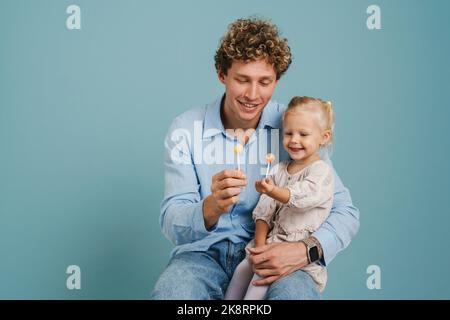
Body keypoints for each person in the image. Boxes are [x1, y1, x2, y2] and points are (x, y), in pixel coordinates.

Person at [151, 17, 359, 300]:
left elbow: (345, 212)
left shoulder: (294, 127)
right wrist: (211, 207)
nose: (252, 94)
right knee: (173, 294)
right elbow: (171, 219)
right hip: (202, 256)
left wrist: (303, 250)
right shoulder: (186, 129)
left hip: (275, 253)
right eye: (242, 80)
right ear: (222, 74)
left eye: (265, 82)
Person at [225, 96, 335, 300]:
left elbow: (302, 196)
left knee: (259, 283)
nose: (294, 140)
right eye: (289, 133)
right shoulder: (278, 170)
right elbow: (264, 211)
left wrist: (272, 190)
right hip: (269, 244)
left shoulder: (321, 172)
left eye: (303, 134)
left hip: (296, 254)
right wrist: (259, 247)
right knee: (242, 270)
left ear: (324, 137)